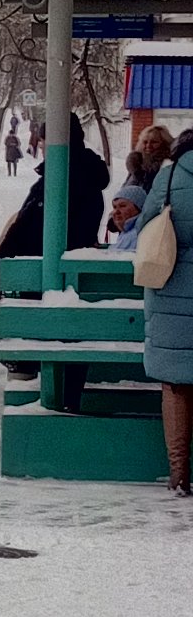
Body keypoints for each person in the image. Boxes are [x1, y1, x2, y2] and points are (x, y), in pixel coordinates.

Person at [136, 127, 193, 496]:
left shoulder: (169, 177)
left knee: (176, 385)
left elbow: (145, 228)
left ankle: (178, 473)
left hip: (172, 288)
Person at [0, 112, 110, 268]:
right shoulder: (87, 174)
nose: (41, 146)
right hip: (71, 266)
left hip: (47, 269)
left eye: (43, 140)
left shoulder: (61, 180)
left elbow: (33, 222)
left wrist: (2, 254)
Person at [128, 125, 174, 192]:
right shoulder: (137, 164)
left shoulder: (167, 165)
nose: (148, 146)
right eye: (145, 142)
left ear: (165, 143)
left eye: (154, 142)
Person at [110, 185, 147, 251]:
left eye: (122, 206)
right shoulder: (126, 233)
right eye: (114, 207)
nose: (116, 212)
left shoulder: (135, 236)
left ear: (138, 208)